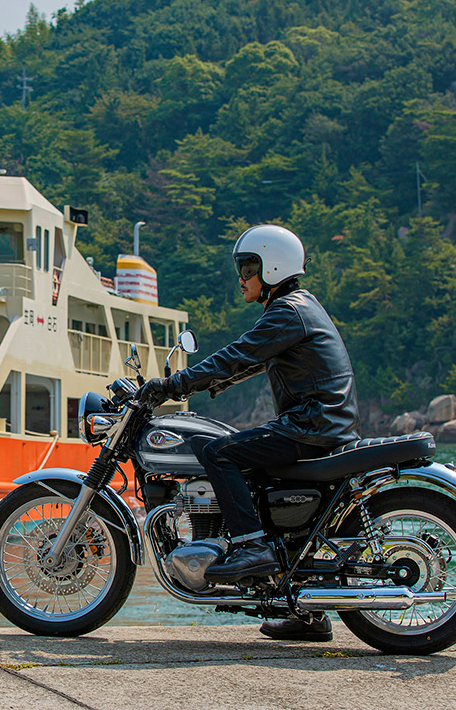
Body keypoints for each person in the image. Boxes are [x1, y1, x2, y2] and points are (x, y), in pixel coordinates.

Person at [138, 224, 359, 642]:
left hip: (310, 426)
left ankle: (252, 547)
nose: (241, 277)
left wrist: (173, 385)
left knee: (219, 453)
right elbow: (254, 361)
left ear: (272, 267)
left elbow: (239, 353)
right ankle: (302, 611)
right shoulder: (297, 307)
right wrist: (213, 385)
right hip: (321, 424)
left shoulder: (287, 311)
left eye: (247, 267)